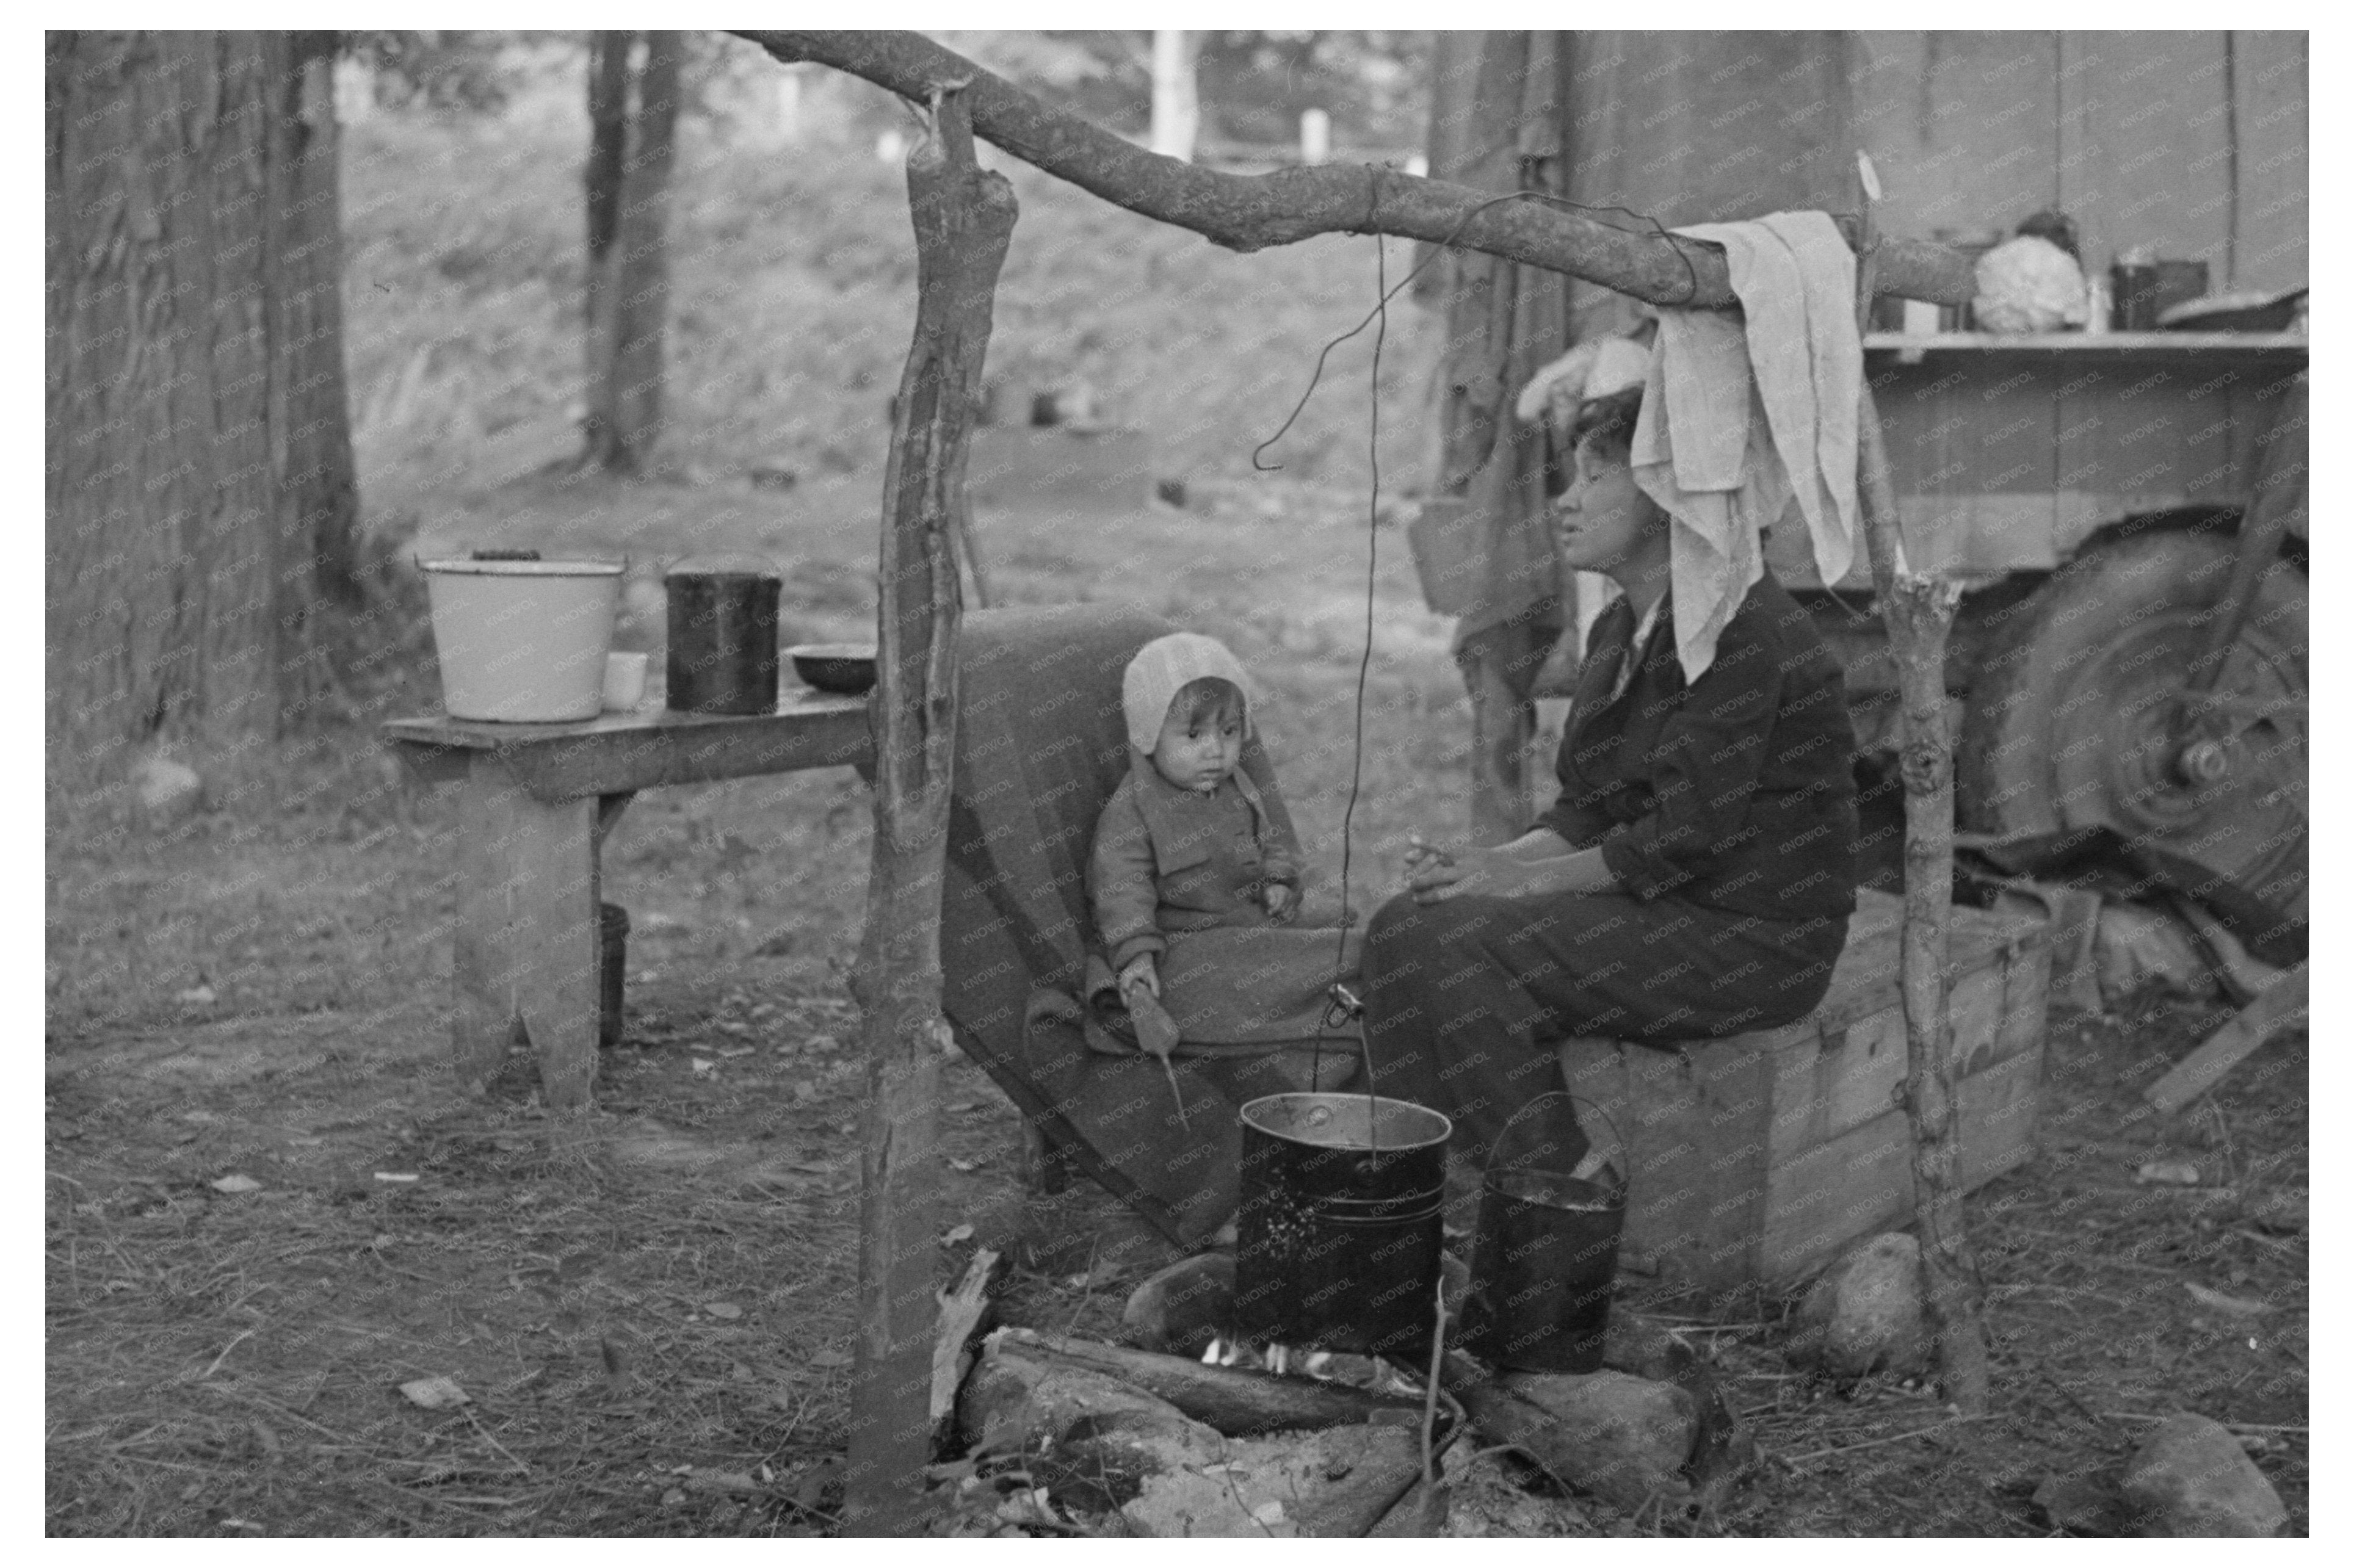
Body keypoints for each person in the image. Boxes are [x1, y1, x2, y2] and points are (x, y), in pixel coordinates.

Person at [1361, 382, 1860, 1163]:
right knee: (1402, 924)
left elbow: (1678, 841)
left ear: (1666, 496)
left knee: (1464, 946)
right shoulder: (1621, 623)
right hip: (1664, 912)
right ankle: (1402, 1177)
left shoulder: (1745, 632)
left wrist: (1512, 885)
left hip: (1751, 939)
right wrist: (1488, 865)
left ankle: (1560, 1181)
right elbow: (1588, 807)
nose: (1567, 500)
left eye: (1596, 476)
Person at [1088, 633, 1361, 1061]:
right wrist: (1137, 958)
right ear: (1148, 734)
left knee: (1338, 917)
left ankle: (1337, 967)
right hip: (1187, 940)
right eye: (1194, 734)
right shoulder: (1135, 810)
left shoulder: (1238, 787)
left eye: (1229, 731)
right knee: (1252, 970)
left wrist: (1276, 881)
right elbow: (1121, 892)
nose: (1215, 750)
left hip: (1248, 914)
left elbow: (1269, 841)